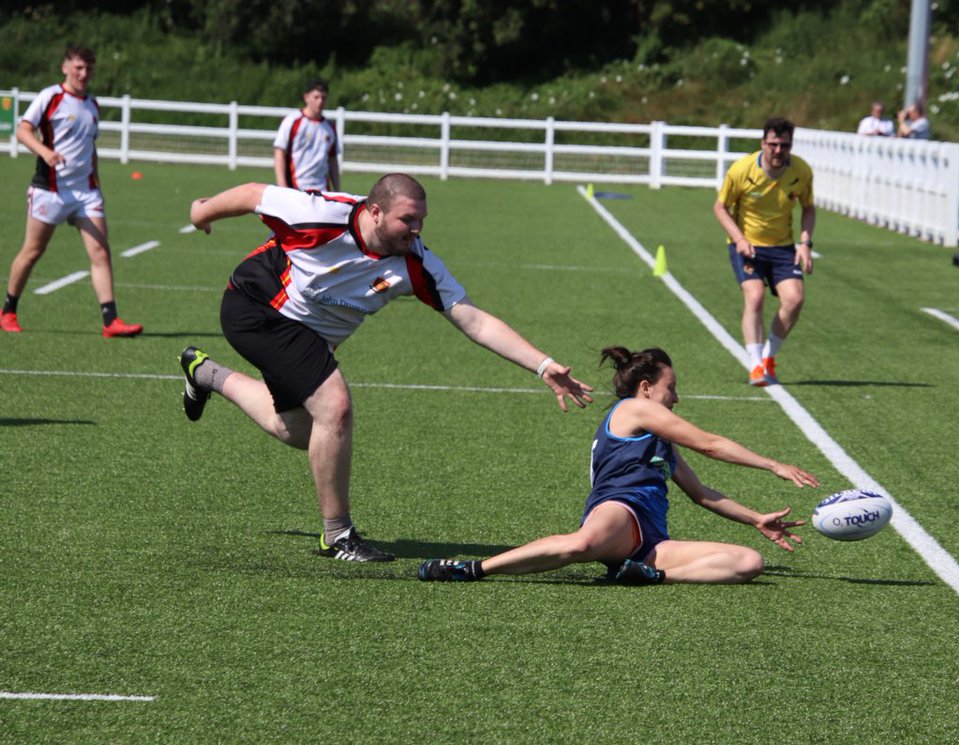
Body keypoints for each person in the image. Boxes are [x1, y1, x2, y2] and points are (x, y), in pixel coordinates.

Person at [182, 173, 593, 562]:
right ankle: (338, 534)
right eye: (407, 220)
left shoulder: (416, 263)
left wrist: (542, 365)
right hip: (257, 308)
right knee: (334, 406)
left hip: (308, 337)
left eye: (421, 220)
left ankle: (205, 373)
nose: (417, 230)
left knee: (298, 431)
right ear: (375, 212)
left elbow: (474, 320)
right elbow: (253, 194)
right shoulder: (321, 215)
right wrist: (202, 212)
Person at [418, 346, 821, 585]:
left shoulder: (660, 441)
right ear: (646, 389)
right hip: (619, 511)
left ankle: (646, 574)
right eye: (671, 388)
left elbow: (701, 494)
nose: (676, 398)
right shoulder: (633, 409)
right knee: (579, 545)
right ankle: (472, 568)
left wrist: (755, 519)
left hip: (649, 541)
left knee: (749, 562)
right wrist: (773, 465)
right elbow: (710, 445)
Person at [1, 45, 142, 337]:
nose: (83, 73)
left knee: (101, 251)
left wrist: (97, 183)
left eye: (88, 68)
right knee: (33, 250)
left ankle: (110, 321)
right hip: (50, 191)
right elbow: (23, 130)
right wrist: (45, 152)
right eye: (78, 67)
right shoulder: (50, 97)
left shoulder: (92, 105)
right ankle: (8, 311)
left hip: (86, 193)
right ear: (65, 67)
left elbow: (90, 148)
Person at [712, 117, 816, 387]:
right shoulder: (742, 170)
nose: (779, 150)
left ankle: (769, 357)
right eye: (773, 144)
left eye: (785, 145)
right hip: (748, 245)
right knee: (755, 296)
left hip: (783, 246)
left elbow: (808, 207)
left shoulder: (801, 171)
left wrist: (805, 243)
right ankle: (755, 364)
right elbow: (720, 208)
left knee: (794, 299)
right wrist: (739, 239)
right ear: (763, 143)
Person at [273, 79, 339, 192]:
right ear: (306, 97)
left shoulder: (329, 127)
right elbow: (279, 152)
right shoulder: (292, 121)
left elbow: (332, 160)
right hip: (296, 189)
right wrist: (282, 187)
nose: (320, 101)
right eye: (316, 97)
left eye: (323, 98)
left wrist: (337, 190)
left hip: (322, 190)